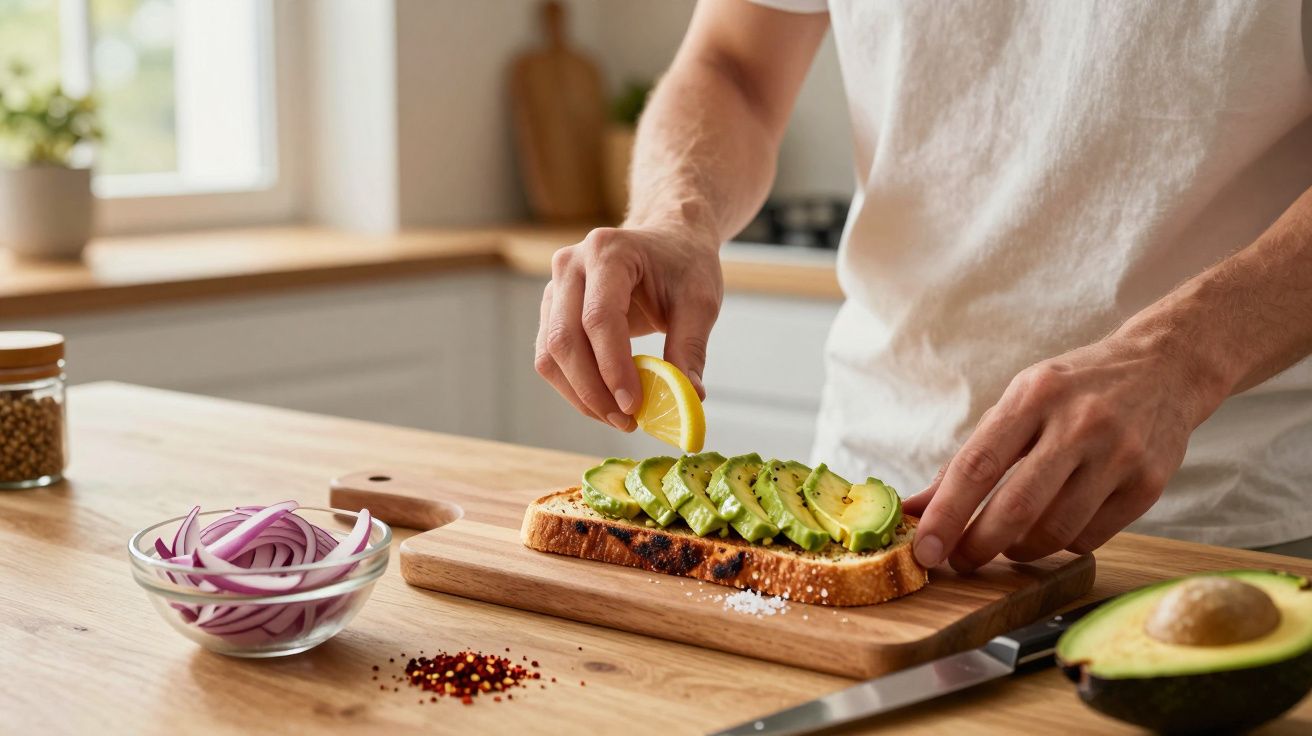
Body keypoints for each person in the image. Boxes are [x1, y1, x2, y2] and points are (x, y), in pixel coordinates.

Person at [533, 0, 1312, 566]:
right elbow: (733, 61)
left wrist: (1181, 358)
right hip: (864, 485)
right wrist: (677, 215)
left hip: (1225, 519)